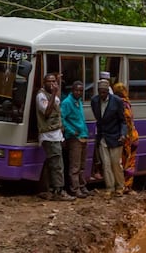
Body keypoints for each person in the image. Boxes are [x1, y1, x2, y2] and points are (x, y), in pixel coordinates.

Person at [36, 73, 75, 201]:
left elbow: (57, 109)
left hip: (56, 134)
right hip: (48, 135)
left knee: (52, 163)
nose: (52, 84)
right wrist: (53, 93)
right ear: (44, 82)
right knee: (57, 164)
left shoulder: (54, 96)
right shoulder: (41, 96)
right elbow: (47, 112)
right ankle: (59, 191)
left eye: (54, 82)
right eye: (49, 81)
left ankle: (47, 189)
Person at [91, 79, 127, 198]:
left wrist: (122, 134)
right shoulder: (94, 101)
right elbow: (98, 119)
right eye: (100, 92)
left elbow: (123, 121)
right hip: (102, 137)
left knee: (115, 163)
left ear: (108, 91)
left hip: (115, 136)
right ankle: (109, 188)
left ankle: (120, 186)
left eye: (104, 92)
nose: (102, 95)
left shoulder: (117, 101)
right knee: (106, 164)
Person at [61, 81, 93, 199]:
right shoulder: (67, 103)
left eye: (80, 90)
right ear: (72, 90)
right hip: (74, 138)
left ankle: (82, 186)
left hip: (83, 135)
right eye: (76, 90)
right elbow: (62, 118)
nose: (78, 92)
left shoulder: (78, 102)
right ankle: (74, 189)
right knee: (74, 166)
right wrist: (70, 131)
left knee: (82, 165)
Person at [113, 82, 139, 194]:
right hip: (134, 136)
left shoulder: (120, 104)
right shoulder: (127, 102)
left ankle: (123, 186)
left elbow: (126, 121)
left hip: (127, 138)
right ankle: (128, 186)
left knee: (124, 162)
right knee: (131, 162)